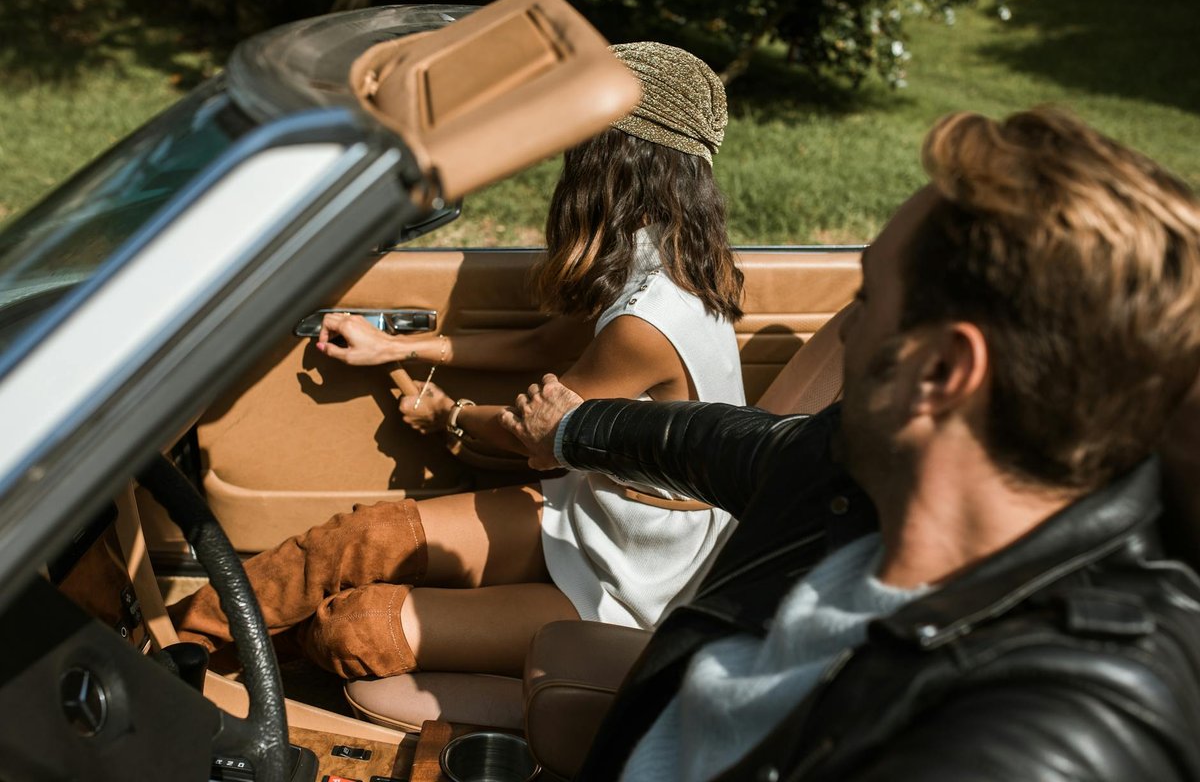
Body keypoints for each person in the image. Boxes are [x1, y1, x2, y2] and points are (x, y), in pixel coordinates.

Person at [502, 107, 1200, 781]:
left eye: (865, 300)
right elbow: (716, 440)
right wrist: (569, 427)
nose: (848, 333)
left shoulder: (1049, 725)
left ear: (941, 373)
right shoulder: (855, 478)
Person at [169, 42, 746, 679]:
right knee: (360, 539)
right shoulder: (651, 258)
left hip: (632, 583)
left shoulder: (649, 320)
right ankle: (170, 650)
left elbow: (539, 436)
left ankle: (218, 668)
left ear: (610, 161)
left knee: (355, 627)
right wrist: (399, 347)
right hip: (591, 514)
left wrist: (449, 413)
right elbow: (540, 348)